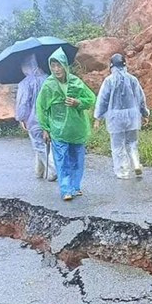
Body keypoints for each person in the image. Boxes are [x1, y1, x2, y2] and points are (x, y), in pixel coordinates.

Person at [35, 47, 96, 201]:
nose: (56, 69)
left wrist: (78, 102)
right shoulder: (49, 86)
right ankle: (65, 189)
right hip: (58, 130)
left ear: (65, 65)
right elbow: (41, 108)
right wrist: (45, 128)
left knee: (77, 159)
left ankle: (75, 187)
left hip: (77, 129)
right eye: (53, 66)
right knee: (62, 160)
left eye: (59, 65)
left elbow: (91, 99)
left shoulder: (76, 82)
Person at [93, 53, 150, 179]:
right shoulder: (133, 79)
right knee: (132, 142)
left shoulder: (109, 81)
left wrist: (98, 117)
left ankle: (123, 171)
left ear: (111, 66)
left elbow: (103, 99)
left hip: (115, 117)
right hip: (132, 116)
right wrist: (144, 113)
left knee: (118, 145)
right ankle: (135, 162)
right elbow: (140, 97)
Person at [15, 54, 55, 181]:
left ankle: (53, 170)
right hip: (51, 117)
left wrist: (21, 118)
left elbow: (23, 103)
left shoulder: (25, 83)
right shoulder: (49, 79)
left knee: (38, 144)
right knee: (46, 143)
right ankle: (39, 171)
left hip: (34, 120)